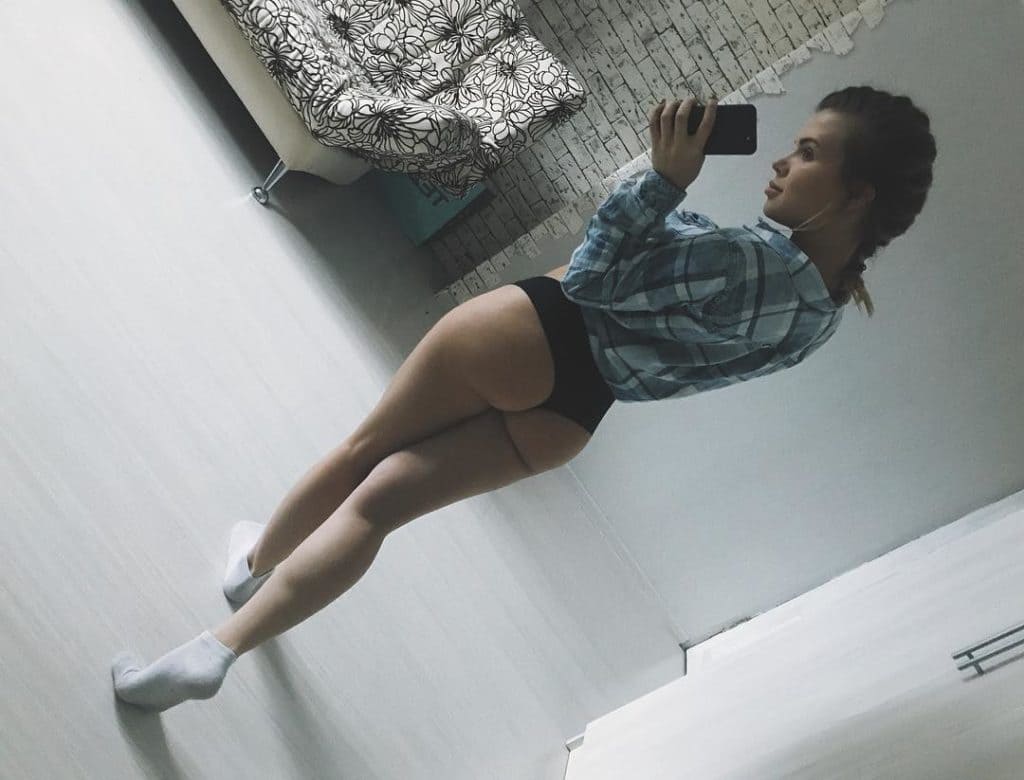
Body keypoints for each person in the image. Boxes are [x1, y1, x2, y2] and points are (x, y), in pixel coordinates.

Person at [111, 85, 936, 711]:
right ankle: (220, 649)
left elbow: (592, 277)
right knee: (378, 510)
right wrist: (672, 225)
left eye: (808, 153)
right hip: (574, 414)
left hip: (528, 334)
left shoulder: (755, 260)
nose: (782, 162)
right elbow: (676, 340)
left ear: (858, 193)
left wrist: (663, 181)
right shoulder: (821, 314)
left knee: (365, 453)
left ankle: (253, 571)